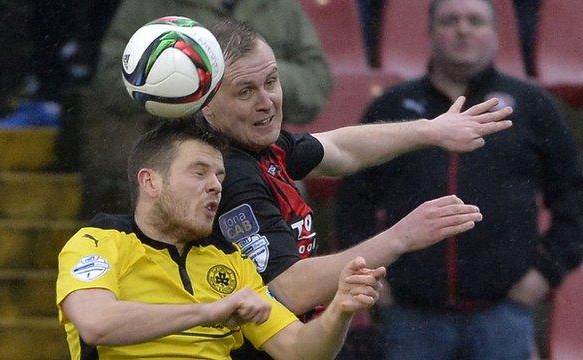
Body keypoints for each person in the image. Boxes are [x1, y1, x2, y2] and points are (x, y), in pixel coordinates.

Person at [199, 18, 513, 357]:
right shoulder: (226, 174)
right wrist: (402, 236)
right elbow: (290, 288)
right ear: (206, 102)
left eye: (272, 82)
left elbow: (339, 149)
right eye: (246, 91)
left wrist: (430, 130)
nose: (267, 102)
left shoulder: (258, 146)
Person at [334, 0, 583, 359]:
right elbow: (353, 201)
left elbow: (572, 198)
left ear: (497, 35)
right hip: (408, 317)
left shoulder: (533, 106)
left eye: (475, 20)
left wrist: (545, 273)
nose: (463, 29)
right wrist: (377, 279)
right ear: (430, 33)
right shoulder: (391, 108)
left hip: (504, 314)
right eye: (449, 20)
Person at [56, 118, 384, 359]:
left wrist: (340, 311)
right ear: (150, 182)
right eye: (199, 172)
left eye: (219, 176)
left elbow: (297, 350)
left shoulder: (231, 259)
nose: (215, 185)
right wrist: (210, 311)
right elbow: (96, 323)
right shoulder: (100, 241)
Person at [79, 0, 333, 217]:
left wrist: (254, 76)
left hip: (261, 152)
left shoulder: (281, 6)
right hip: (176, 148)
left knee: (295, 196)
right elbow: (111, 79)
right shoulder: (148, 5)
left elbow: (319, 82)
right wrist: (179, 84)